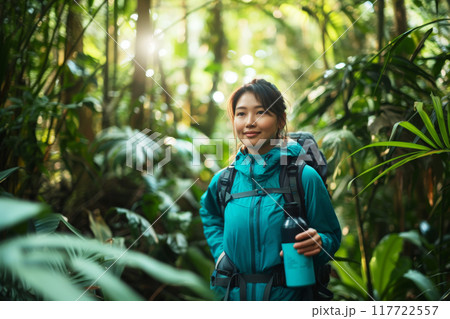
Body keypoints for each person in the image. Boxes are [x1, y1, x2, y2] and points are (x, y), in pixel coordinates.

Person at [199, 79, 341, 301]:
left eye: (261, 112)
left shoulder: (304, 177)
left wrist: (320, 241)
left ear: (280, 119)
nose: (249, 122)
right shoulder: (225, 179)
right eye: (241, 114)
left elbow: (331, 234)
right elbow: (209, 212)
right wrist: (220, 254)